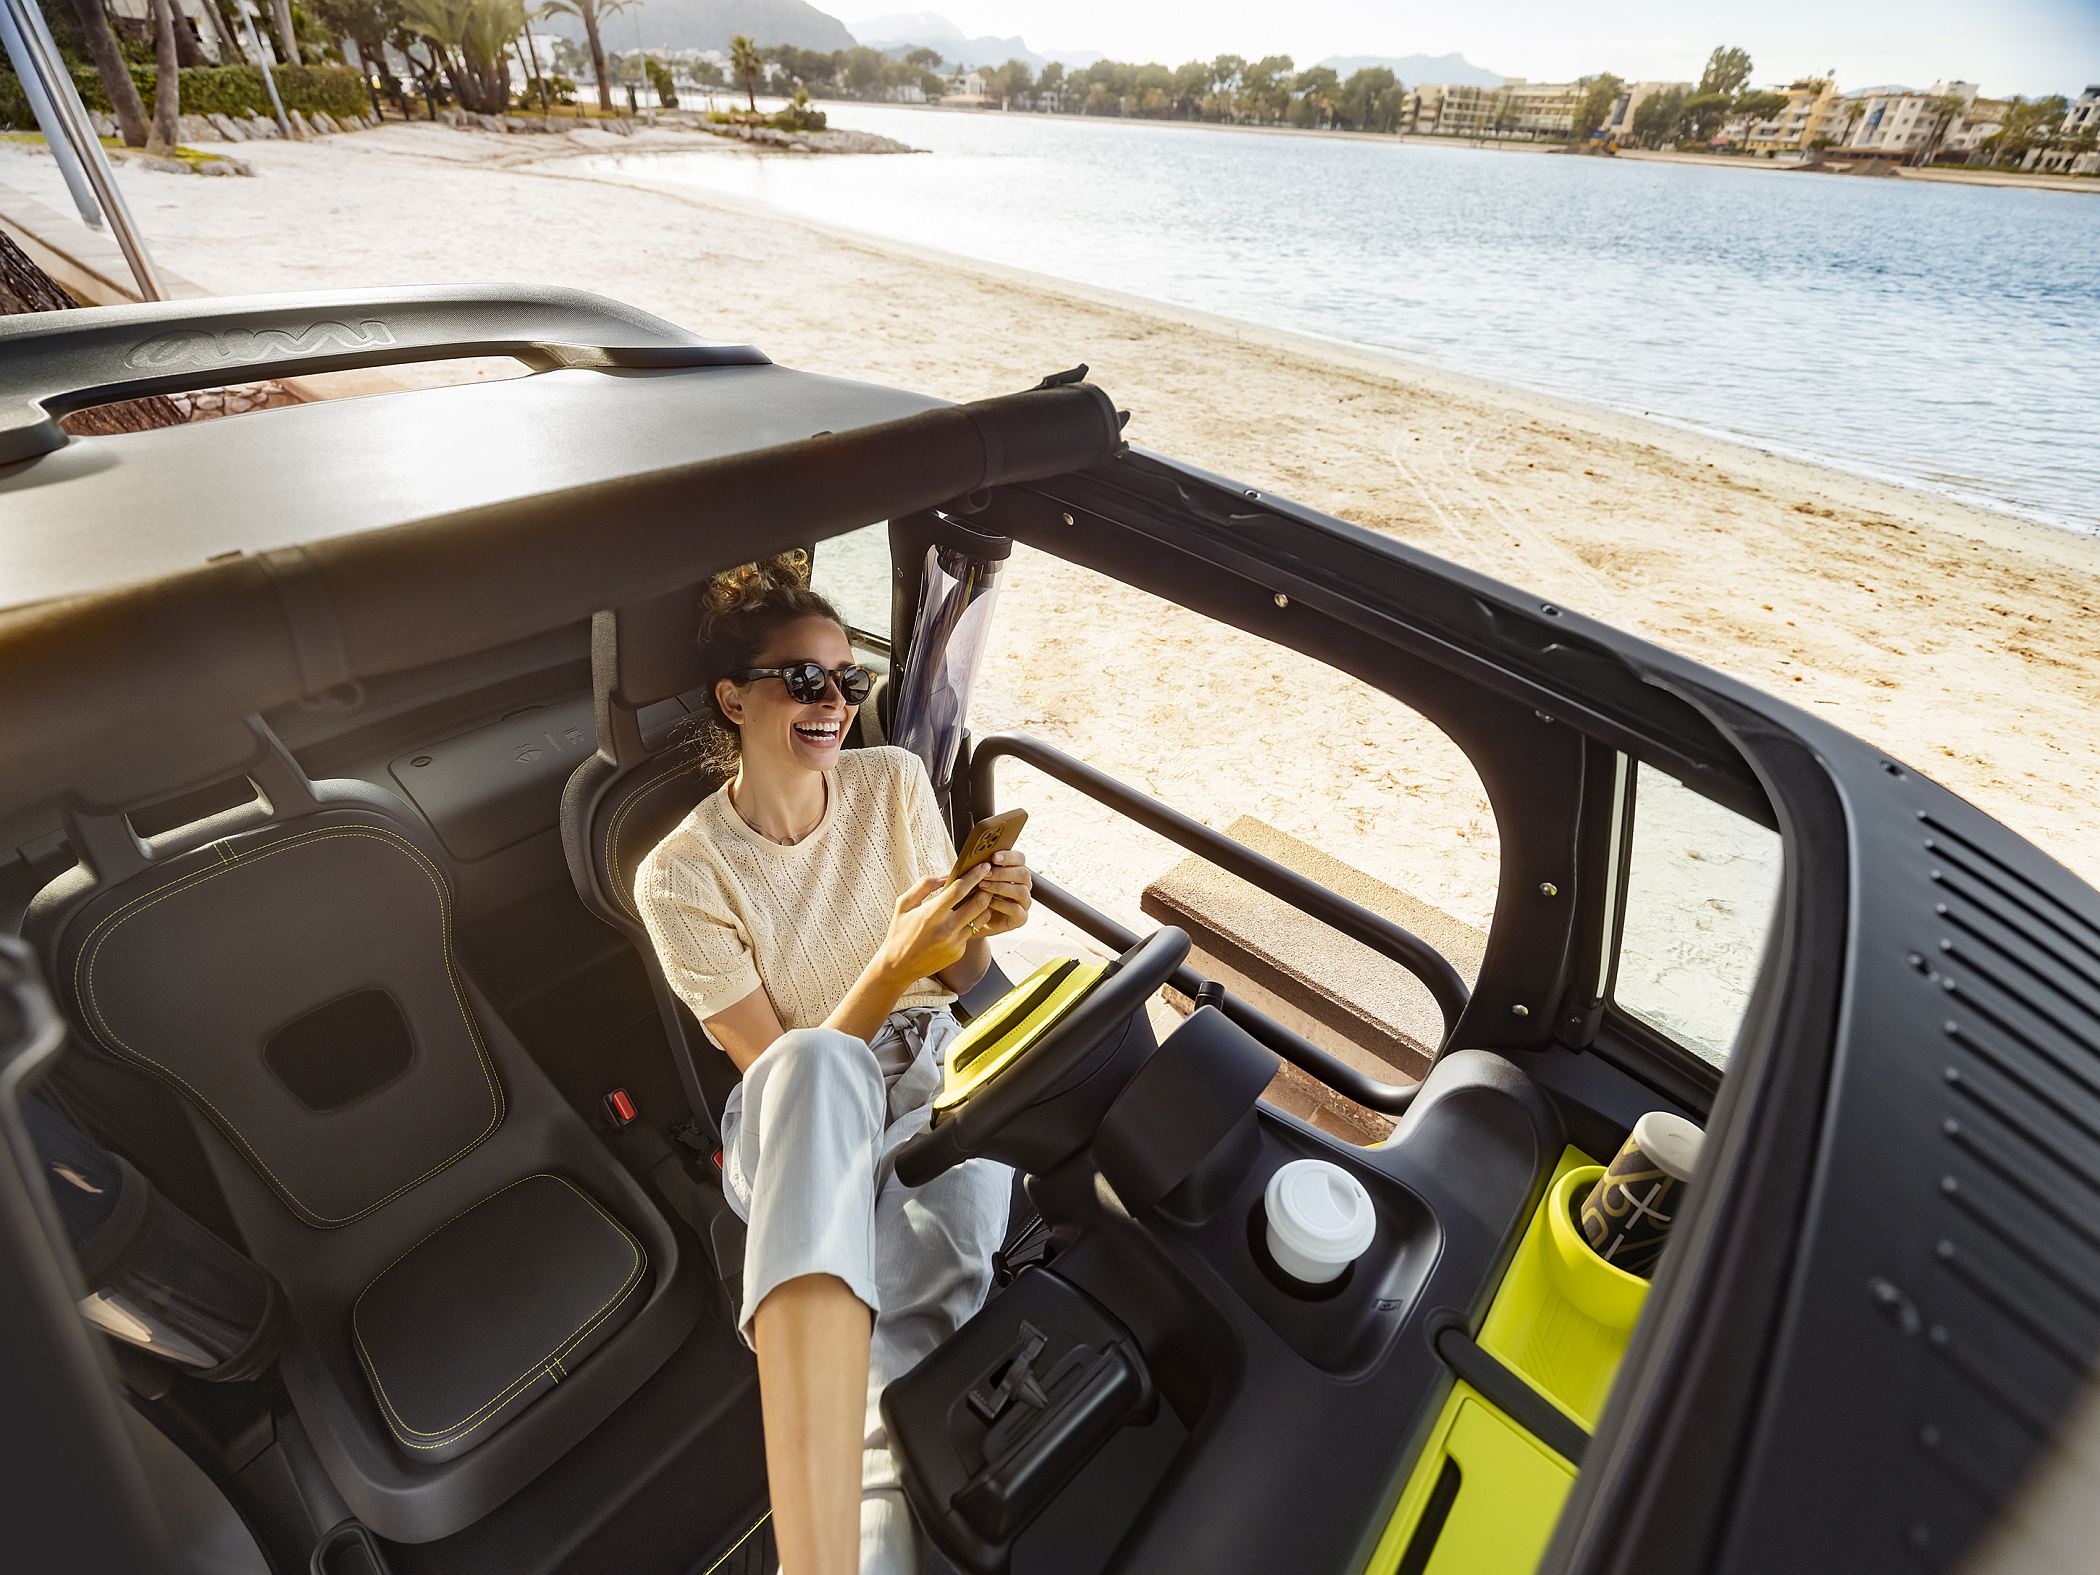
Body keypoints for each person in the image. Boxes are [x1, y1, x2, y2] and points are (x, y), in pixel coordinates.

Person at [634, 554, 1033, 1575]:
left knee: (930, 1305)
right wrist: (892, 965)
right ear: (734, 698)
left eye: (849, 679)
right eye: (805, 679)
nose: (835, 703)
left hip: (936, 1058)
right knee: (817, 1068)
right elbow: (784, 1071)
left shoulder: (891, 780)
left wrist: (979, 919)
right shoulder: (680, 875)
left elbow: (963, 975)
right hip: (798, 1108)